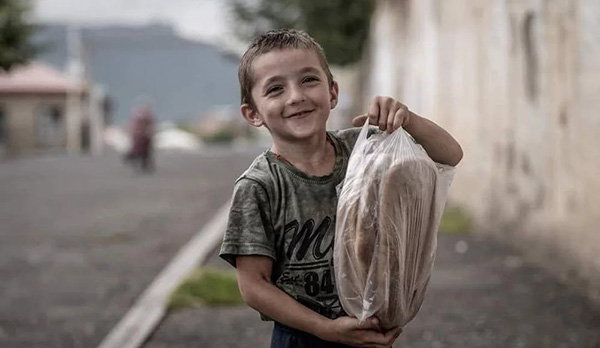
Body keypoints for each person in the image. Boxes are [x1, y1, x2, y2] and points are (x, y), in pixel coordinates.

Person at [219, 28, 463, 348]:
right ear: (252, 113)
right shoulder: (259, 187)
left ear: (332, 92)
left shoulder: (363, 149)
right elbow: (254, 285)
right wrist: (325, 328)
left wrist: (409, 120)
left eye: (309, 80)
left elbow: (450, 155)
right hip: (302, 337)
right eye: (276, 89)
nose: (296, 96)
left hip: (372, 330)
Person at [125, 103, 155, 172]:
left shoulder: (142, 118)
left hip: (143, 137)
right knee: (142, 153)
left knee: (144, 153)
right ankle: (142, 165)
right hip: (142, 137)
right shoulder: (144, 118)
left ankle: (143, 165)